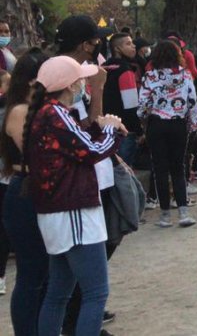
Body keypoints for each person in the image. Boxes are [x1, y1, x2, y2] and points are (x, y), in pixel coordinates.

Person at [25, 56, 126, 335]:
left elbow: (77, 143)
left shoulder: (46, 113)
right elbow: (91, 152)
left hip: (57, 213)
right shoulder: (56, 113)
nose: (85, 82)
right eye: (81, 79)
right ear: (71, 86)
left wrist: (101, 128)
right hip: (73, 212)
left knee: (59, 293)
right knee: (95, 293)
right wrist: (110, 129)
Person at [0, 50, 49, 334]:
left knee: (44, 272)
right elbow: (35, 155)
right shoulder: (18, 111)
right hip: (25, 194)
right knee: (32, 272)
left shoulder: (37, 108)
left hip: (37, 191)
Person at [137, 40, 197, 228]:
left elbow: (142, 104)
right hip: (178, 124)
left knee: (160, 169)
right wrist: (194, 124)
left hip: (156, 125)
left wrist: (144, 118)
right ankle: (183, 211)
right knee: (178, 167)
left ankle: (164, 214)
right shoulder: (185, 75)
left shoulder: (149, 76)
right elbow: (192, 101)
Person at [101, 33, 141, 166]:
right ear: (117, 49)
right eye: (128, 44)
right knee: (123, 171)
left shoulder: (103, 68)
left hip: (104, 126)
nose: (133, 47)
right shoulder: (126, 71)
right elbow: (131, 105)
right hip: (124, 130)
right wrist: (139, 131)